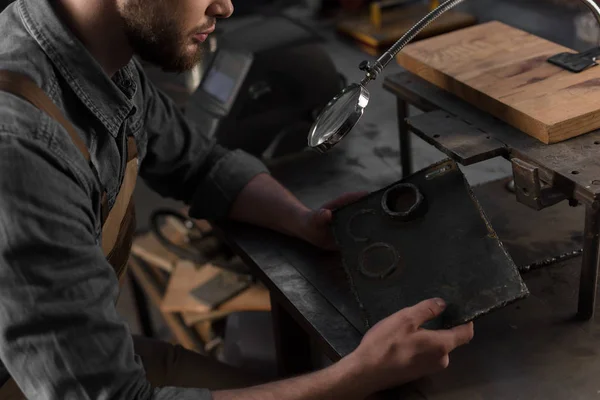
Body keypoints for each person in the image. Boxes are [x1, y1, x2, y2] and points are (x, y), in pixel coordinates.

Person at [0, 0, 474, 399]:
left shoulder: (101, 55)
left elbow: (200, 163)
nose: (226, 6)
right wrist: (355, 376)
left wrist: (301, 219)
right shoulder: (19, 146)